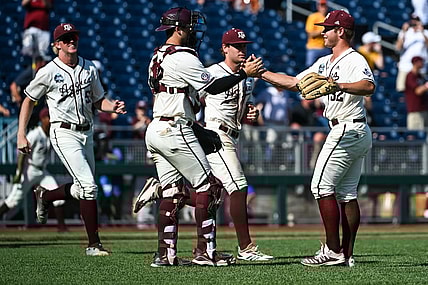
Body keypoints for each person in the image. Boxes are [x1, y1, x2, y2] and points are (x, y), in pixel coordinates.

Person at [141, 7, 264, 267]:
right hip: (175, 127)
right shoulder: (184, 56)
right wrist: (243, 74)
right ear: (179, 29)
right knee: (211, 187)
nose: (194, 32)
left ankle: (166, 255)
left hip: (157, 127)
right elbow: (214, 86)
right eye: (189, 27)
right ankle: (205, 252)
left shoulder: (157, 55)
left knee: (173, 192)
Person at [259, 10, 375, 267]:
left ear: (341, 31)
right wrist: (261, 74)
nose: (322, 32)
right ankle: (346, 253)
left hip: (348, 129)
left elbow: (369, 86)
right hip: (350, 130)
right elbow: (293, 82)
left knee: (321, 187)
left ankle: (333, 251)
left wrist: (339, 86)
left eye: (328, 28)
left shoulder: (353, 59)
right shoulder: (324, 62)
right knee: (346, 193)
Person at [16, 23, 127, 256]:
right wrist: (21, 134)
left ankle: (45, 196)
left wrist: (112, 107)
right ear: (56, 45)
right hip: (63, 131)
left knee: (82, 188)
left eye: (73, 37)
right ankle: (93, 244)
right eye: (65, 38)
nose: (71, 41)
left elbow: (99, 101)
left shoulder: (89, 68)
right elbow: (28, 100)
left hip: (87, 131)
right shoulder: (47, 71)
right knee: (89, 186)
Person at [202, 28, 273, 261]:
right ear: (224, 48)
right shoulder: (212, 71)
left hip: (233, 134)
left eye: (244, 46)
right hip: (215, 134)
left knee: (212, 192)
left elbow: (241, 109)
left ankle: (169, 192)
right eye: (237, 46)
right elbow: (196, 98)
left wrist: (248, 114)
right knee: (239, 186)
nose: (242, 49)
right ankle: (246, 248)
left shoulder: (247, 76)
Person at [0, 108, 67, 232]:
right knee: (13, 201)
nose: (51, 120)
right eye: (48, 117)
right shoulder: (35, 133)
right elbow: (22, 153)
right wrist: (19, 172)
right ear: (42, 119)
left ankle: (62, 227)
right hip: (29, 169)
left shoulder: (50, 134)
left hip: (42, 171)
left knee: (57, 195)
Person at [10, 56, 48, 129]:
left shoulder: (42, 74)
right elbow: (13, 86)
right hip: (28, 110)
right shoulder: (30, 72)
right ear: (39, 63)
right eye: (43, 63)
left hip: (37, 111)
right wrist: (19, 99)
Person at [395, 14, 428, 92]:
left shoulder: (425, 33)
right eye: (412, 21)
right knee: (402, 89)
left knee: (419, 90)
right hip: (405, 65)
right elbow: (398, 47)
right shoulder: (404, 33)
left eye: (416, 20)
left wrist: (422, 31)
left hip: (420, 67)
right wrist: (403, 32)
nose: (414, 22)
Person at [404, 56, 428, 130]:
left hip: (424, 108)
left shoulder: (420, 76)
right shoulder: (410, 76)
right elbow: (418, 91)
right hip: (415, 110)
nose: (422, 63)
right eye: (420, 62)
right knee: (416, 135)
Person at [305, 0, 330, 67]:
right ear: (318, 6)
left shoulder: (328, 18)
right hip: (314, 48)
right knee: (309, 70)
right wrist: (323, 30)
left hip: (325, 48)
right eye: (321, 5)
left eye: (324, 5)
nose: (323, 8)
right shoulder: (313, 17)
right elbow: (311, 34)